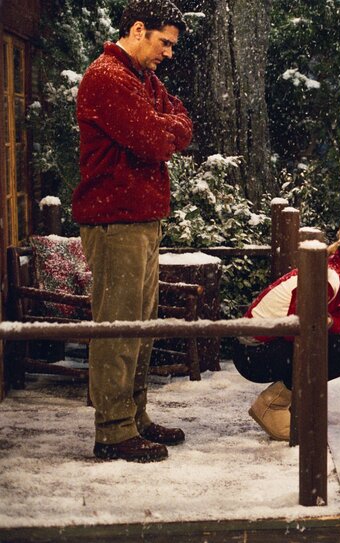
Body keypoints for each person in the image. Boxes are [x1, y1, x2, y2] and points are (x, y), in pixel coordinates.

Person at [73, 0, 192, 462]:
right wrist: (167, 127)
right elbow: (156, 141)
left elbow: (180, 122)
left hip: (138, 216)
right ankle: (113, 429)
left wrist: (168, 125)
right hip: (115, 219)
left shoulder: (142, 78)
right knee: (119, 327)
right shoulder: (109, 76)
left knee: (140, 326)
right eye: (164, 42)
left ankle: (133, 416)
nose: (168, 53)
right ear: (138, 29)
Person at [234, 215, 340, 441]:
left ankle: (294, 399)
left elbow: (336, 324)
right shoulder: (329, 277)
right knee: (339, 348)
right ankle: (271, 406)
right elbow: (298, 329)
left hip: (272, 344)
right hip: (253, 352)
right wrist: (325, 324)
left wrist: (328, 322)